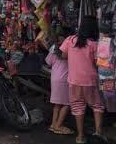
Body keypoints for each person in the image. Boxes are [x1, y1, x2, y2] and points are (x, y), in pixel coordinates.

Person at [60, 16, 103, 144]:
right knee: (97, 105)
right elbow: (98, 63)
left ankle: (80, 136)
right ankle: (98, 133)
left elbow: (63, 55)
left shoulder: (70, 40)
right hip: (91, 81)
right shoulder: (94, 45)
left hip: (74, 81)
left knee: (78, 106)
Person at [46, 35, 73, 136]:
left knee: (57, 104)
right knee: (67, 103)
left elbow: (48, 62)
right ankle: (58, 125)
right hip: (64, 79)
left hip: (54, 78)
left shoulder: (54, 49)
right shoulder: (69, 49)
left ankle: (53, 124)